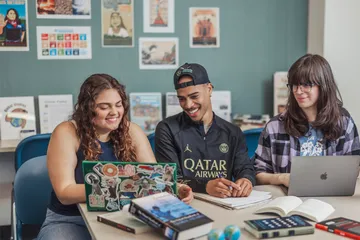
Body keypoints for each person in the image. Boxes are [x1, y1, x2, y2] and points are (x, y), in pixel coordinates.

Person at [37, 74, 193, 240]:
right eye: (104, 107)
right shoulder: (67, 132)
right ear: (87, 109)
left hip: (122, 216)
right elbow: (65, 192)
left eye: (118, 105)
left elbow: (153, 178)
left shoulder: (131, 131)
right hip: (71, 220)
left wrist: (175, 188)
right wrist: (123, 186)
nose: (114, 112)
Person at [254, 54, 360, 187]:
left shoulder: (344, 122)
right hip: (287, 201)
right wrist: (282, 178)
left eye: (306, 85)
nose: (298, 91)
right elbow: (257, 174)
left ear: (323, 85)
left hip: (332, 201)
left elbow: (353, 168)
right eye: (294, 85)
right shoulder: (275, 126)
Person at [155, 63, 256, 198]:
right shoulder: (167, 129)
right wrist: (205, 186)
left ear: (209, 89)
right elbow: (169, 178)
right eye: (182, 99)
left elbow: (245, 168)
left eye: (194, 96)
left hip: (224, 204)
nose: (188, 105)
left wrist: (246, 179)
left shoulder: (233, 132)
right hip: (185, 203)